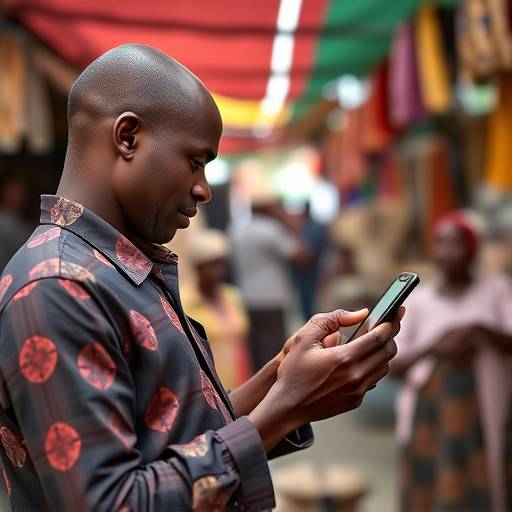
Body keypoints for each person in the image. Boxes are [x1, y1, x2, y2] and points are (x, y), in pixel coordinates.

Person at [0, 44, 402, 511]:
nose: (204, 189)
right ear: (127, 137)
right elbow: (110, 503)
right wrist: (287, 406)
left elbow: (175, 430)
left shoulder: (115, 267)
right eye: (195, 162)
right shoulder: (56, 286)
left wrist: (281, 377)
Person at [391, 211, 512, 512]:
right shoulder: (420, 301)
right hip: (429, 417)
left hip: (483, 410)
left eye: (455, 243)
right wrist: (436, 346)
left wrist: (479, 330)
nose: (447, 252)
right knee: (430, 482)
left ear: (472, 249)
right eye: (440, 243)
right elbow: (393, 366)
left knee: (484, 480)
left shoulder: (496, 290)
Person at [230, 189, 311, 371]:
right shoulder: (271, 230)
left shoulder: (237, 230)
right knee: (274, 353)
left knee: (256, 352)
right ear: (269, 209)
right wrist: (291, 225)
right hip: (272, 299)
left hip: (246, 298)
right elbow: (303, 257)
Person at [182, 229, 252, 390]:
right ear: (198, 266)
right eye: (213, 264)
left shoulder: (231, 295)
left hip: (240, 381)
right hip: (208, 388)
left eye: (222, 263)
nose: (220, 269)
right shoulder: (185, 301)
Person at [0, 175, 31, 271]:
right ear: (5, 195)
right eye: (14, 194)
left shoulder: (16, 220)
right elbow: (26, 249)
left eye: (21, 195)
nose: (20, 199)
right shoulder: (7, 221)